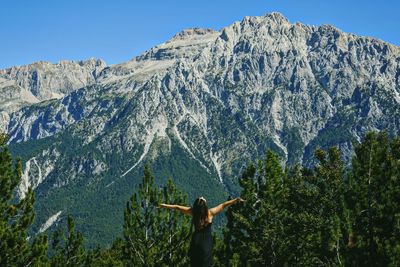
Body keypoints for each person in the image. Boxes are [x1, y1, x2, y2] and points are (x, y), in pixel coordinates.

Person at [159, 196, 244, 267]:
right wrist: (235, 200)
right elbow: (223, 205)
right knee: (206, 262)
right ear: (205, 206)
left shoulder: (193, 212)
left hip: (196, 241)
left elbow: (177, 207)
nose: (202, 197)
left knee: (195, 262)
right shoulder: (210, 213)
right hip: (206, 242)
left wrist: (164, 205)